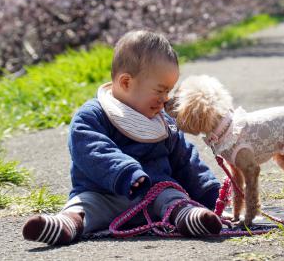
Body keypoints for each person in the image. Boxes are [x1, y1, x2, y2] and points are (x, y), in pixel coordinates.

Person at [22, 30, 222, 245]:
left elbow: (185, 159)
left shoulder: (163, 122)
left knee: (173, 197)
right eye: (160, 90)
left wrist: (210, 192)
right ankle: (65, 225)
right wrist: (126, 173)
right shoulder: (92, 116)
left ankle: (188, 217)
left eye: (169, 91)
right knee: (82, 205)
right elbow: (92, 150)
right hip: (102, 194)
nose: (165, 99)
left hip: (156, 195)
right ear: (126, 82)